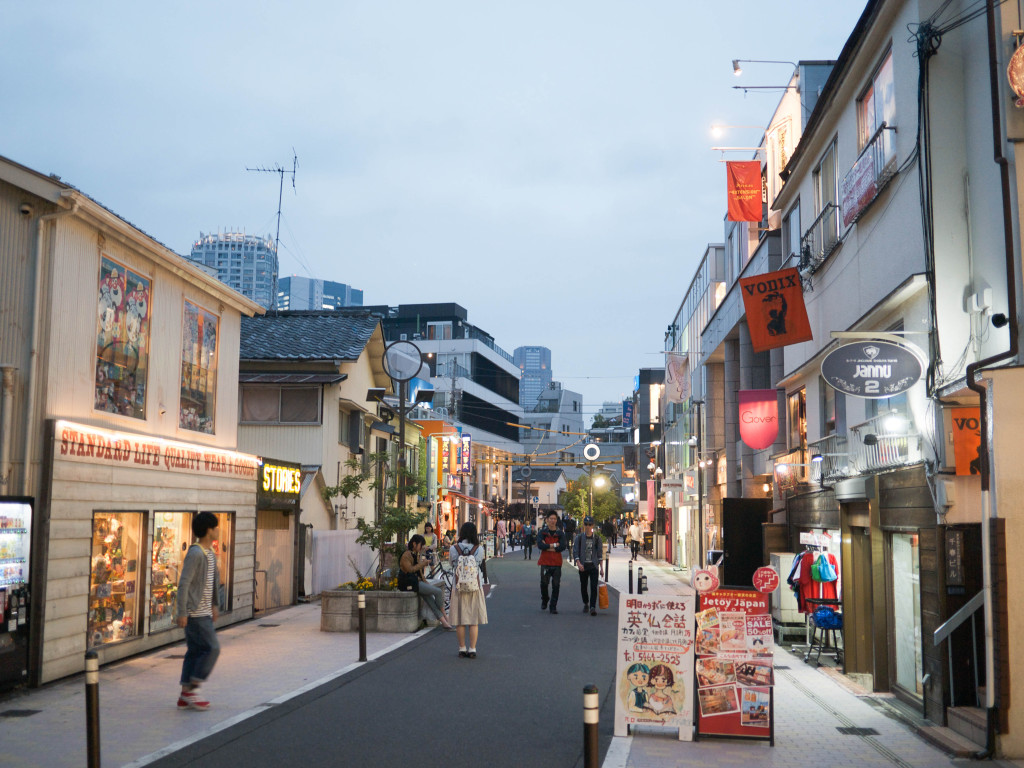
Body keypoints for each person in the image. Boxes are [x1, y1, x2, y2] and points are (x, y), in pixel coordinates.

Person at [175, 512, 220, 711]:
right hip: (195, 613)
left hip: (204, 612)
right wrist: (182, 612)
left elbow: (213, 582)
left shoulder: (210, 554)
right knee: (212, 648)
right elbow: (184, 584)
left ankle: (184, 694)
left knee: (194, 652)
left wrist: (215, 604)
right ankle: (193, 688)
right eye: (215, 527)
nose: (218, 530)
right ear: (208, 530)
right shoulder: (195, 553)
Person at [450, 522, 488, 658]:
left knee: (460, 620)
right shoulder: (479, 549)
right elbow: (479, 564)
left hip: (458, 586)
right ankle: (472, 649)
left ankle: (462, 648)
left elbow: (452, 564)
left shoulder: (454, 548)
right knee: (473, 620)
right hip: (474, 587)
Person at [400, 534, 453, 630]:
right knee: (438, 592)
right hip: (410, 583)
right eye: (421, 545)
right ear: (414, 544)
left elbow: (420, 573)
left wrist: (425, 582)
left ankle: (444, 622)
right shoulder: (406, 555)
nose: (422, 547)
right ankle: (445, 615)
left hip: (417, 582)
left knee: (430, 600)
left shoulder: (416, 554)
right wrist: (423, 564)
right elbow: (410, 569)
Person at [572, 516, 604, 615]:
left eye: (589, 524)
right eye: (586, 524)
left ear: (592, 525)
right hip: (583, 565)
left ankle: (592, 606)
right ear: (583, 525)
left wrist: (602, 568)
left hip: (593, 565)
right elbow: (575, 552)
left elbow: (600, 554)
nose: (588, 526)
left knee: (594, 587)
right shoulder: (579, 538)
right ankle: (586, 602)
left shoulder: (597, 538)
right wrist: (578, 563)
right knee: (583, 586)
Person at [536, 511, 567, 614]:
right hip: (545, 562)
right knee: (544, 583)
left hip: (557, 563)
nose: (552, 521)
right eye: (551, 519)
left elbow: (562, 546)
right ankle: (545, 599)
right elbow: (540, 545)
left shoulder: (560, 533)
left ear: (556, 520)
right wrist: (554, 546)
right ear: (547, 520)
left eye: (554, 519)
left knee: (556, 585)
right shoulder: (542, 532)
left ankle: (553, 606)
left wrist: (548, 546)